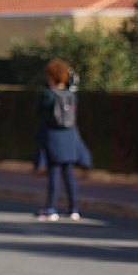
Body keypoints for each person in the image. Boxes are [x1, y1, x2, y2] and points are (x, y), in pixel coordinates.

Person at [34, 58, 92, 222]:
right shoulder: (71, 95)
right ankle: (73, 209)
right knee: (69, 173)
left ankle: (51, 208)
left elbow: (39, 112)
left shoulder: (47, 95)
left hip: (53, 135)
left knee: (54, 173)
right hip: (70, 136)